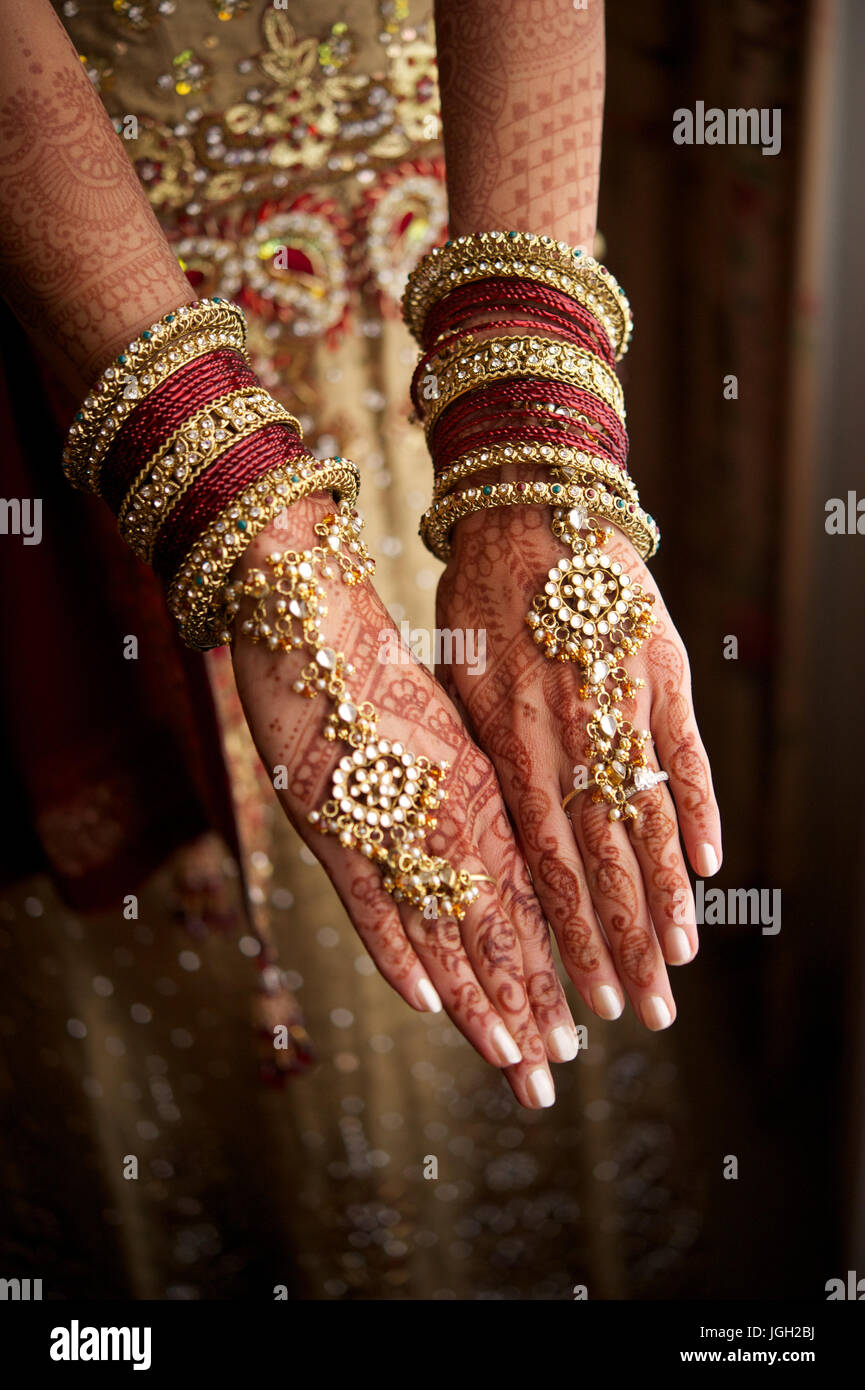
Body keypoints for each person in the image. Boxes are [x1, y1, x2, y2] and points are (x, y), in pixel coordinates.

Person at [0, 0, 721, 1299]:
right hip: (78, 278)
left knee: (545, 823)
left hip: (443, 228)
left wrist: (528, 438)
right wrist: (259, 540)